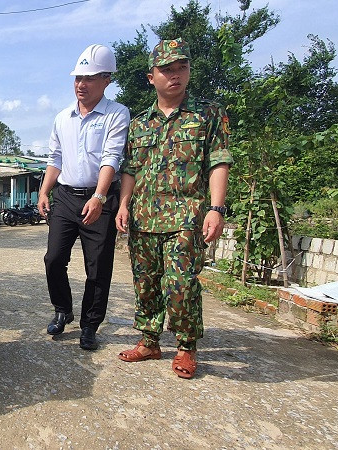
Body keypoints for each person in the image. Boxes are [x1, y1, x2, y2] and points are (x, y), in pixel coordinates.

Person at [115, 39, 233, 379]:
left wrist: (216, 208)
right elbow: (130, 169)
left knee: (180, 283)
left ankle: (185, 346)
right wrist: (123, 205)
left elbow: (219, 161)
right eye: (166, 69)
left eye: (181, 68)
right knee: (145, 282)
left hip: (187, 216)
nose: (175, 75)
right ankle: (149, 340)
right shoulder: (139, 123)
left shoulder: (209, 113)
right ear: (151, 77)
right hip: (144, 216)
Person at [37, 44, 130, 351]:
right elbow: (56, 157)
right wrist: (44, 190)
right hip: (65, 197)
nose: (81, 84)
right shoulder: (63, 117)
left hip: (99, 200)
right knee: (53, 259)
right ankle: (62, 309)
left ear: (106, 80)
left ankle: (90, 325)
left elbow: (111, 157)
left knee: (99, 266)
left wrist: (101, 196)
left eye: (89, 78)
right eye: (78, 77)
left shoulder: (117, 113)